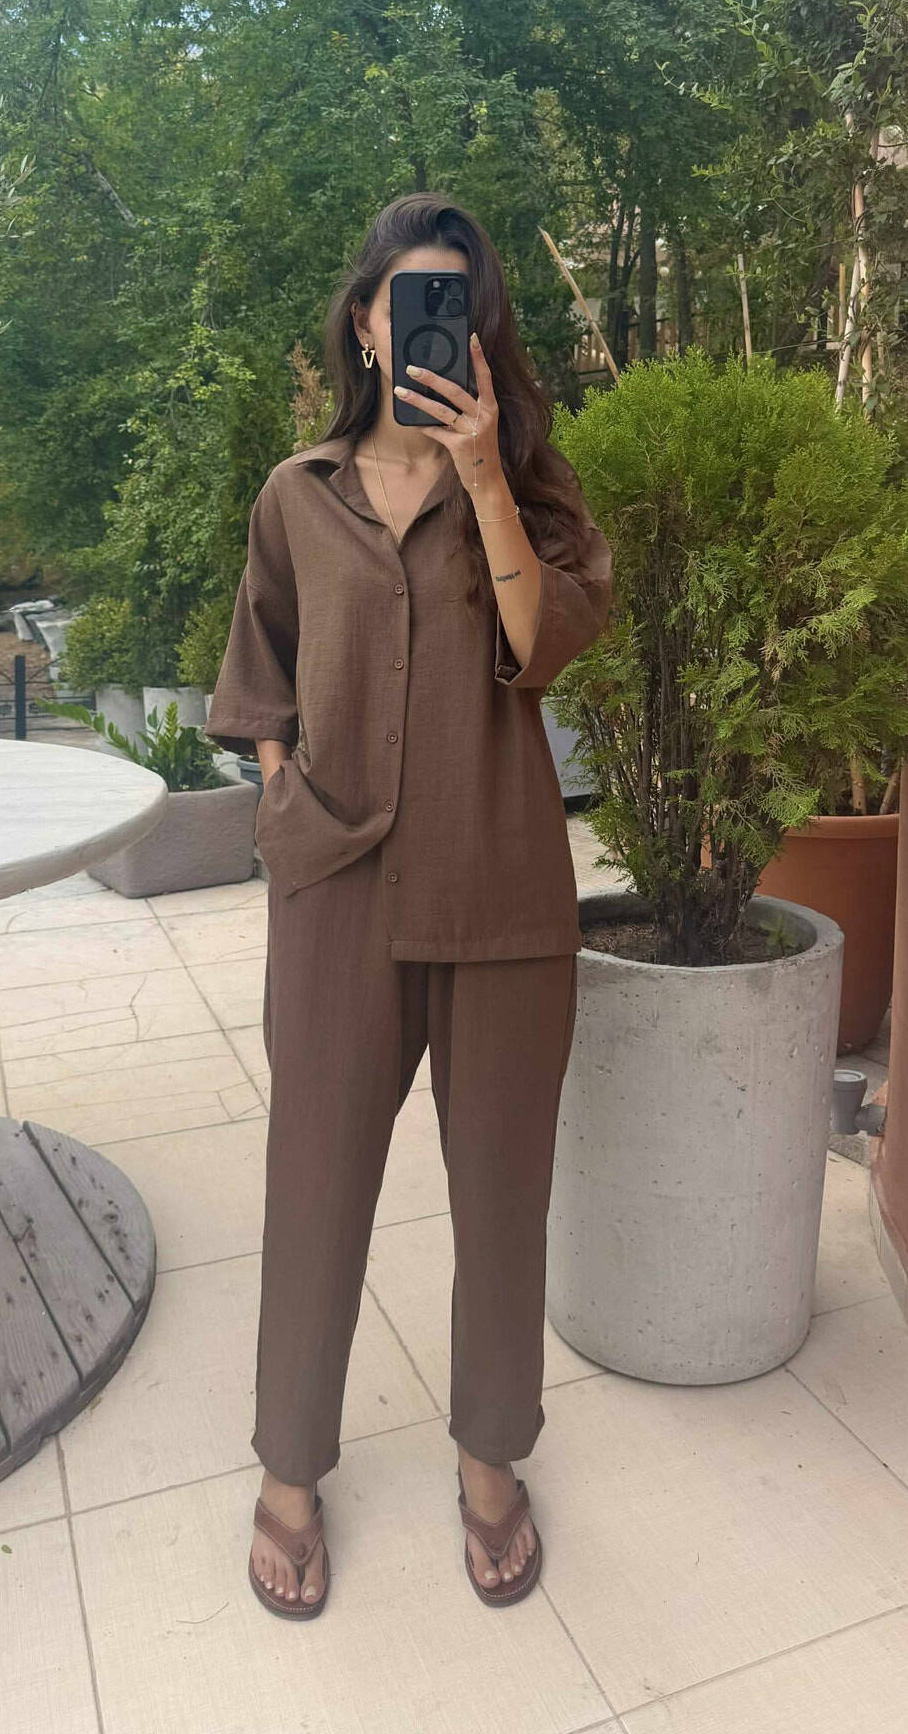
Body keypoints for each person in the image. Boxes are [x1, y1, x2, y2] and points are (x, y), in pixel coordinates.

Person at [204, 192, 613, 1617]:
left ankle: (491, 1457)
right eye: (406, 297)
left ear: (479, 331)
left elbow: (544, 647)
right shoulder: (296, 495)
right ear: (367, 323)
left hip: (501, 891)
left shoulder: (534, 491)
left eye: (457, 300)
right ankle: (290, 1468)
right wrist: (281, 797)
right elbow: (258, 669)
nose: (430, 320)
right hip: (337, 896)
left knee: (502, 1200)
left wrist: (485, 474)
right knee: (313, 1190)